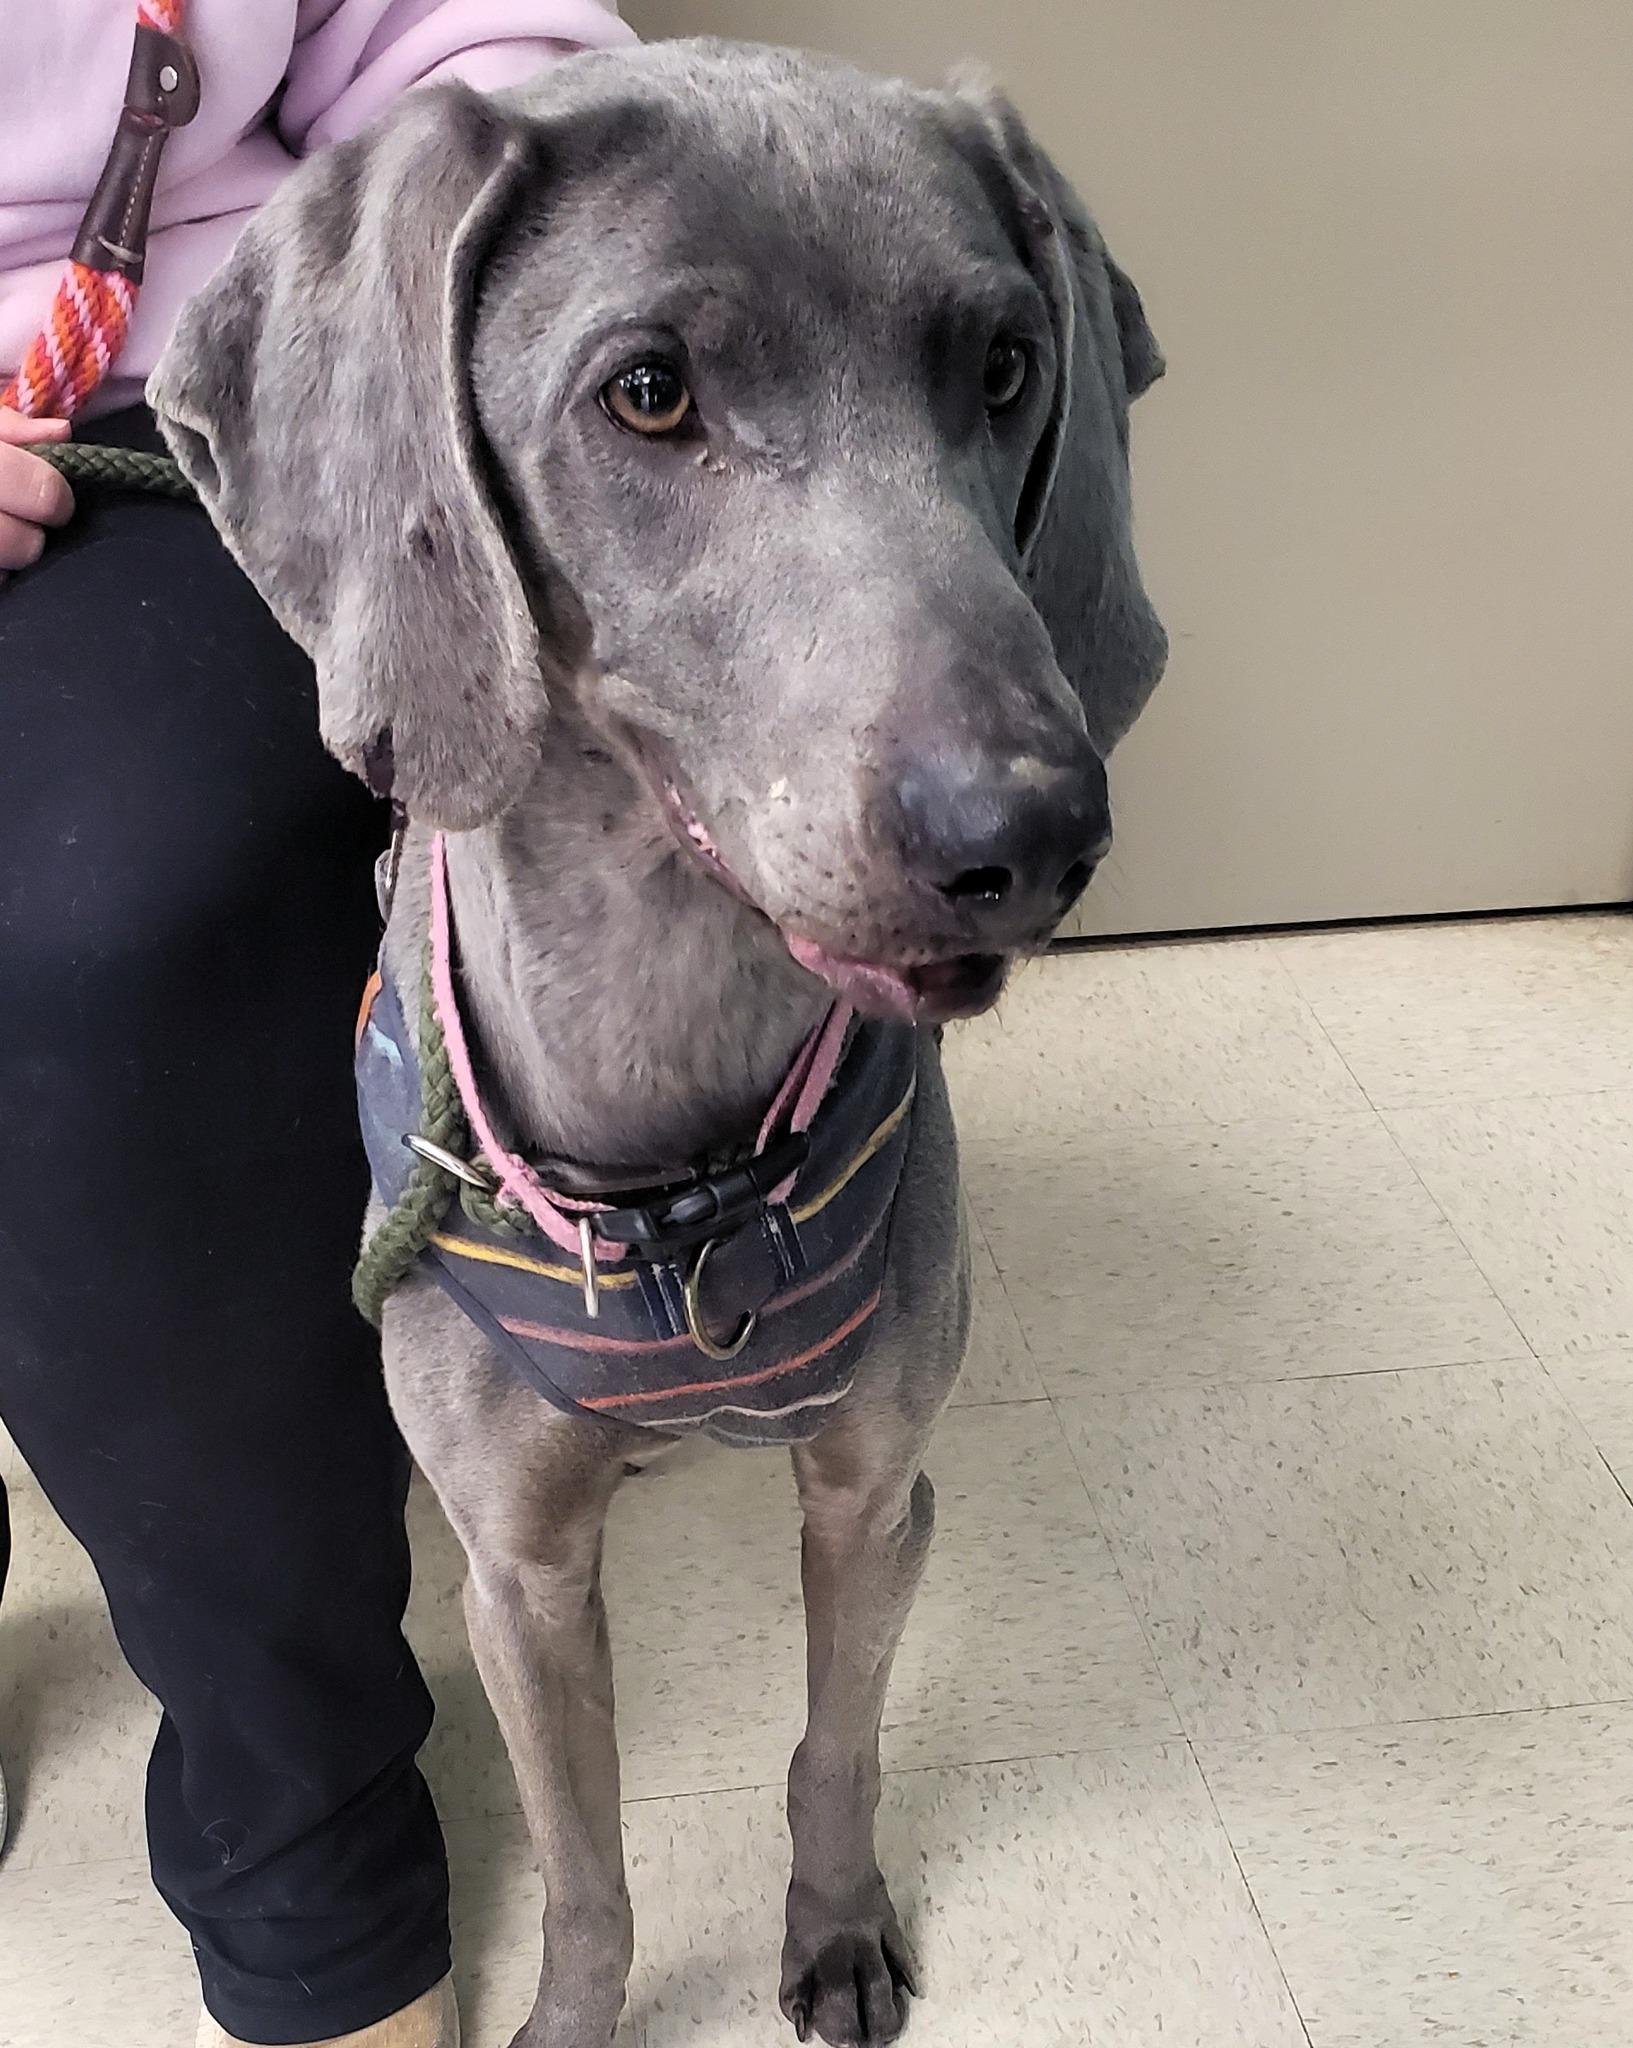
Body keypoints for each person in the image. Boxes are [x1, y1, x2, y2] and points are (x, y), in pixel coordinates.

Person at [0, 7, 635, 2045]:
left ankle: (304, 1843)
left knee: (115, 930)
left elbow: (465, 39)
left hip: (162, 403)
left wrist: (589, 213)